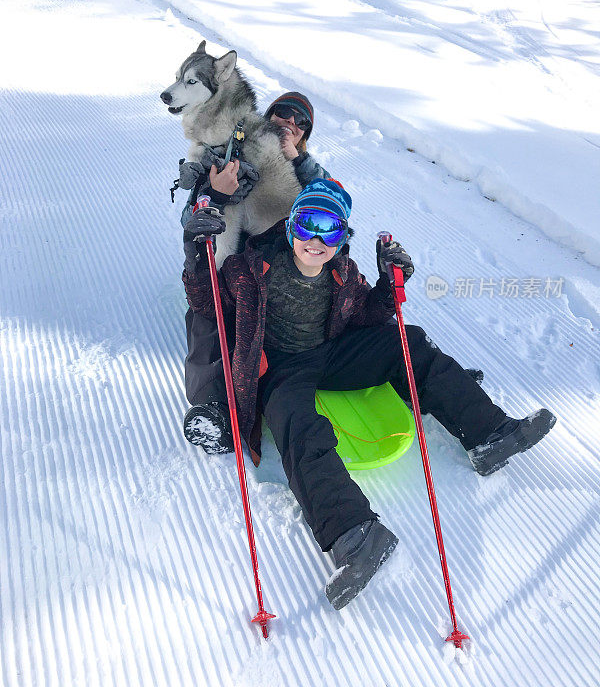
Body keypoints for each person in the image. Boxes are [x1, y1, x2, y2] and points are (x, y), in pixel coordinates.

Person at [181, 178, 557, 609]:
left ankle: (490, 434)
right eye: (307, 225)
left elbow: (367, 314)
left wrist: (387, 283)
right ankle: (354, 535)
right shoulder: (249, 269)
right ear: (290, 227)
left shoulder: (343, 270)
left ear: (343, 237)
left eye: (330, 229)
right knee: (299, 428)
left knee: (407, 340)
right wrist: (197, 250)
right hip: (280, 366)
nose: (317, 241)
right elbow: (206, 302)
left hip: (331, 352)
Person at [182, 92, 331, 444]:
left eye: (301, 122)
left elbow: (334, 204)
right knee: (210, 304)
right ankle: (214, 405)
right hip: (238, 263)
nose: (290, 124)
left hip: (287, 260)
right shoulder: (230, 150)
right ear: (268, 115)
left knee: (344, 279)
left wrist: (297, 161)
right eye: (284, 113)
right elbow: (190, 220)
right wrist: (214, 195)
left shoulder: (307, 168)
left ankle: (413, 369)